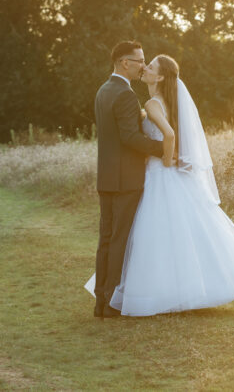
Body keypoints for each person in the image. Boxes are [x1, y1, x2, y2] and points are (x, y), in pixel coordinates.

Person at [86, 54, 234, 316]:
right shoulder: (167, 103)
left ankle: (147, 293)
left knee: (153, 235)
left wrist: (166, 159)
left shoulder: (152, 103)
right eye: (144, 63)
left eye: (150, 66)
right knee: (176, 234)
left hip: (158, 173)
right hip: (161, 174)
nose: (145, 68)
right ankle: (179, 290)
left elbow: (170, 135)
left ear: (161, 77)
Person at [91, 40, 168, 318]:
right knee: (120, 240)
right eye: (140, 61)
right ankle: (111, 302)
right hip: (126, 180)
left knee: (107, 239)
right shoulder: (125, 94)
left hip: (107, 178)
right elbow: (130, 137)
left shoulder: (103, 90)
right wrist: (163, 149)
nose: (143, 66)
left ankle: (101, 301)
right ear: (125, 63)